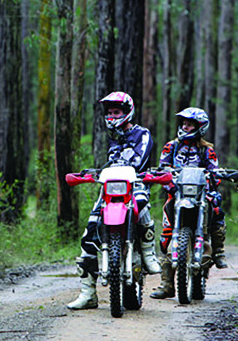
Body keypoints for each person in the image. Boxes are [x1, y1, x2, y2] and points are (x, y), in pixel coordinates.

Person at [67, 91, 161, 310]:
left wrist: (148, 174)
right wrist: (91, 174)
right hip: (110, 190)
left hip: (135, 185)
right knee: (89, 234)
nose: (111, 116)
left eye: (116, 112)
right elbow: (109, 164)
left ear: (127, 112)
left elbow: (139, 161)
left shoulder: (142, 134)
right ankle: (88, 293)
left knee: (142, 204)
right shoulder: (112, 137)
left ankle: (148, 252)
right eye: (109, 113)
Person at [150, 107, 227, 300]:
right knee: (167, 234)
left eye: (190, 124)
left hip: (200, 194)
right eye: (184, 123)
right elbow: (162, 168)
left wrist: (215, 179)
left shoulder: (207, 149)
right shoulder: (171, 146)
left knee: (217, 207)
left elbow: (215, 171)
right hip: (177, 193)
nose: (185, 127)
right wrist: (167, 182)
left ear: (200, 127)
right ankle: (167, 284)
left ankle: (218, 251)